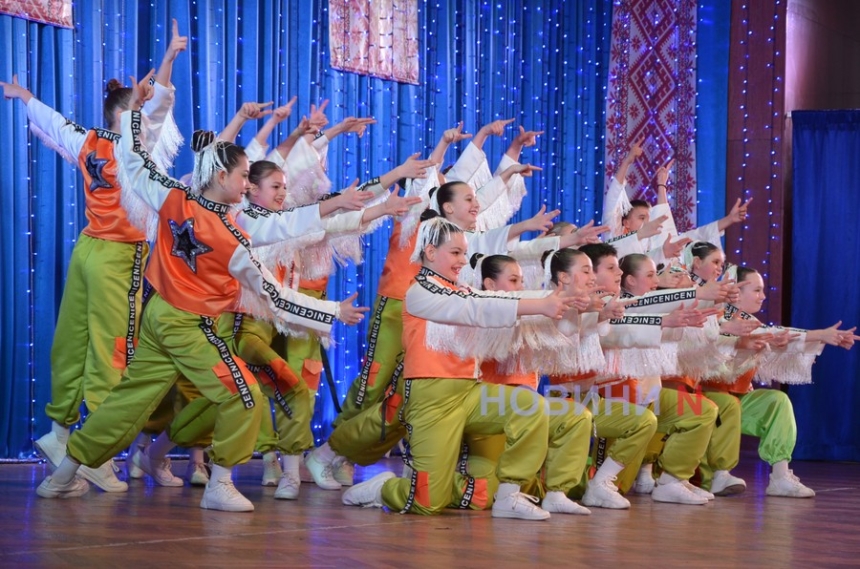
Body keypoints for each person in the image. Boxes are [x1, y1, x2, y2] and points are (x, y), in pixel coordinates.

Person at [35, 71, 367, 513]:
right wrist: (331, 312)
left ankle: (61, 477)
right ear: (223, 176)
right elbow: (275, 295)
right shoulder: (231, 237)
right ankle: (220, 484)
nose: (248, 184)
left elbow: (133, 160)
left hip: (157, 318)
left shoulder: (176, 197)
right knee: (244, 395)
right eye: (244, 176)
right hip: (188, 326)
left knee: (126, 401)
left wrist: (134, 112)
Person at [0, 21, 187, 493]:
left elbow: (51, 120)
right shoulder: (133, 146)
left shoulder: (88, 140)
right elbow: (157, 109)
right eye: (139, 109)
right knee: (111, 350)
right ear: (130, 114)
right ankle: (95, 454)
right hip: (118, 258)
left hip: (86, 251)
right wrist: (167, 61)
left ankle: (60, 432)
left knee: (72, 343)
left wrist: (24, 96)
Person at [341, 216, 578, 520]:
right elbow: (474, 309)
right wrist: (540, 304)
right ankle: (384, 489)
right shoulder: (419, 291)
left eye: (464, 253)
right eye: (455, 252)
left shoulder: (461, 288)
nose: (463, 260)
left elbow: (495, 299)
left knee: (530, 406)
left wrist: (559, 301)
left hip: (469, 392)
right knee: (428, 503)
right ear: (430, 252)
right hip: (431, 400)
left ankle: (508, 497)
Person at [699, 265, 859, 497]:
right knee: (729, 404)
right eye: (757, 290)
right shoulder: (714, 317)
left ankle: (780, 476)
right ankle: (715, 475)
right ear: (737, 290)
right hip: (707, 400)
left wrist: (821, 337)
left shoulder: (749, 321)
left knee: (777, 401)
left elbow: (774, 335)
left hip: (736, 401)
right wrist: (819, 334)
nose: (763, 296)